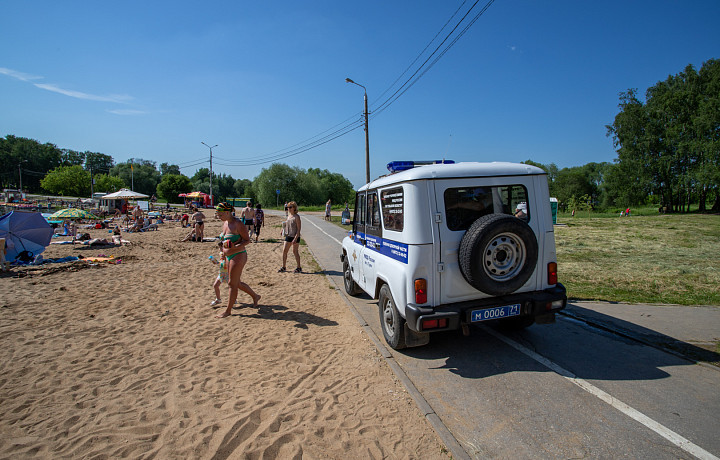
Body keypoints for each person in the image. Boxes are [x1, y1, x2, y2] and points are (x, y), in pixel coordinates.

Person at [215, 202, 261, 318]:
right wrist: (222, 249)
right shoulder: (225, 223)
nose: (219, 217)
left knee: (232, 283)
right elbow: (224, 240)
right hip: (227, 256)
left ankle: (228, 311)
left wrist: (235, 247)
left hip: (238, 255)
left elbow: (247, 240)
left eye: (220, 215)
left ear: (227, 212)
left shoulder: (238, 224)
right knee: (236, 282)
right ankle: (255, 296)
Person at [279, 201, 302, 273]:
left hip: (295, 236)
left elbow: (299, 229)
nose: (288, 208)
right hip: (288, 235)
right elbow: (286, 224)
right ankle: (284, 266)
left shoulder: (297, 217)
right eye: (287, 207)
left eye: (290, 207)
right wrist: (282, 230)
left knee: (295, 252)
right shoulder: (289, 216)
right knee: (284, 251)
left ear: (294, 208)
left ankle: (299, 267)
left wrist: (295, 238)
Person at [209, 242, 229, 306]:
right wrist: (216, 262)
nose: (220, 249)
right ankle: (218, 299)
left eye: (222, 247)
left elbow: (227, 262)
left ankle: (234, 299)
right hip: (222, 272)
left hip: (228, 272)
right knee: (215, 285)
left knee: (232, 286)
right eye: (220, 247)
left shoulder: (228, 253)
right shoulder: (221, 253)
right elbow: (221, 262)